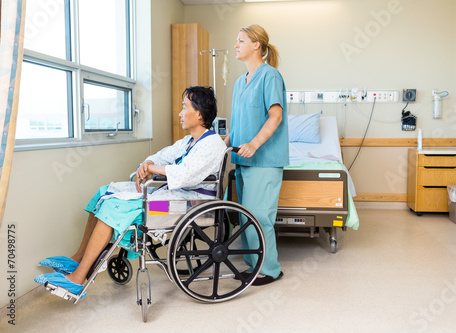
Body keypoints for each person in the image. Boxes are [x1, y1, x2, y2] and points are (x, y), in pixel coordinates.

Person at [35, 86, 227, 295]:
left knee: (114, 206)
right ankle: (79, 259)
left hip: (182, 207)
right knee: (104, 192)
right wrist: (147, 164)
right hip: (171, 197)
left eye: (184, 108)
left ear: (199, 114)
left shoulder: (212, 145)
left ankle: (78, 278)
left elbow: (184, 173)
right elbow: (164, 155)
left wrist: (152, 170)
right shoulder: (189, 141)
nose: (180, 114)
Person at [225, 24, 289, 286]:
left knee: (260, 215)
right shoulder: (241, 81)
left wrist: (254, 144)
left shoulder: (270, 76)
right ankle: (254, 264)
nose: (236, 45)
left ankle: (271, 269)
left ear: (256, 46)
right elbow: (237, 121)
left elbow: (276, 115)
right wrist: (223, 143)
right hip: (242, 159)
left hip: (264, 160)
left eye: (241, 40)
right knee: (245, 215)